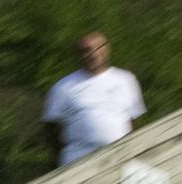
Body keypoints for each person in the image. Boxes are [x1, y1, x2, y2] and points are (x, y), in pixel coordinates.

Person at [42, 31, 146, 166]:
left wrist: (131, 150)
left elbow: (132, 120)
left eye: (97, 48)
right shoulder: (63, 87)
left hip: (118, 158)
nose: (93, 54)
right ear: (79, 54)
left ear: (106, 49)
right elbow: (50, 126)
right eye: (86, 50)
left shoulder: (126, 80)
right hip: (77, 159)